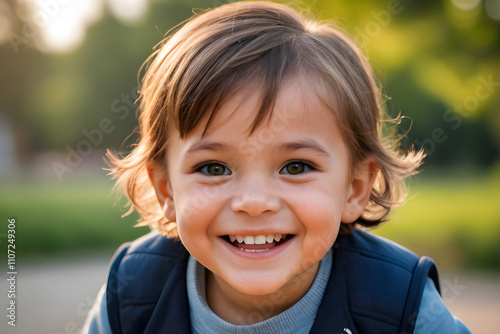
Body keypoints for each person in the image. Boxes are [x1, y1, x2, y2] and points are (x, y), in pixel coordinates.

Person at [82, 1, 471, 333]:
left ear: (355, 188)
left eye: (296, 166)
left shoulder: (398, 304)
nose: (254, 203)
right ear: (166, 190)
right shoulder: (133, 295)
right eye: (214, 168)